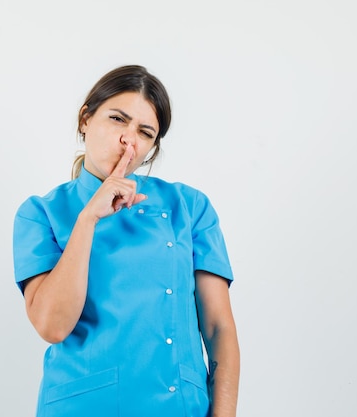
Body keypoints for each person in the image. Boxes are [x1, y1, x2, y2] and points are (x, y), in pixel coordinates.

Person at [12, 65, 239, 417]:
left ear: (151, 148)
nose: (129, 140)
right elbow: (52, 325)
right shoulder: (40, 213)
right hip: (83, 407)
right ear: (85, 119)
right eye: (118, 119)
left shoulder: (189, 207)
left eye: (145, 132)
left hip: (179, 407)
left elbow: (218, 328)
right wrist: (88, 218)